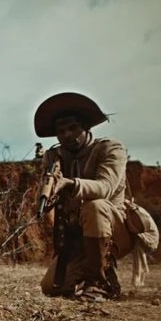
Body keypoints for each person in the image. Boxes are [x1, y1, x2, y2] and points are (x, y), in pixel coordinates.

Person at [34, 92, 146, 302]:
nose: (67, 135)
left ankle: (98, 283)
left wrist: (69, 183)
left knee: (95, 206)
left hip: (114, 228)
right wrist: (48, 195)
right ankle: (99, 277)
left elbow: (105, 187)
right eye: (61, 131)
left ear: (86, 127)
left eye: (73, 128)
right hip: (79, 235)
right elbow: (46, 198)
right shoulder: (54, 156)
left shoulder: (110, 148)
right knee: (51, 287)